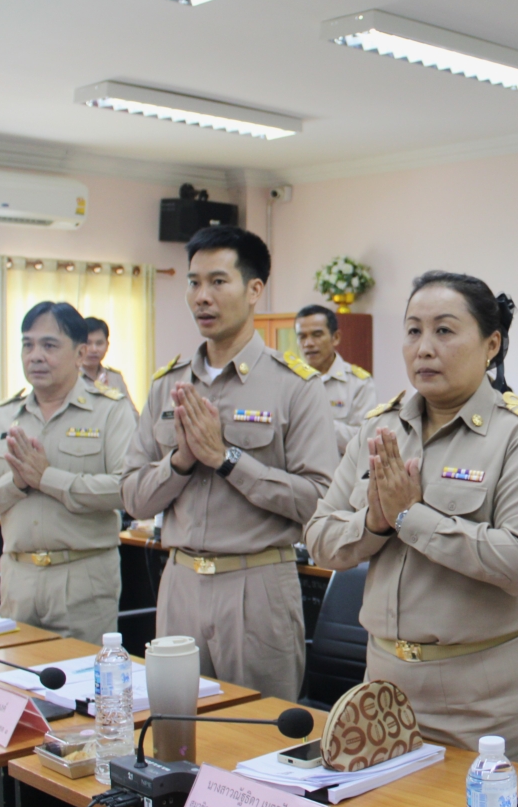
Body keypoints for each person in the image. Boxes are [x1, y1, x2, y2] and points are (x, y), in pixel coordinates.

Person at [305, 271, 518, 769]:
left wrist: (411, 517)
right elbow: (319, 538)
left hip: (491, 697)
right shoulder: (379, 428)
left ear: (492, 344)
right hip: (386, 688)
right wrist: (375, 523)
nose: (424, 348)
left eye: (444, 330)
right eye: (413, 331)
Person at [122, 227, 336, 699]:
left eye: (218, 282)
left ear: (254, 289)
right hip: (179, 581)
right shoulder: (167, 384)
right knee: (174, 722)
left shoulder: (295, 386)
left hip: (257, 584)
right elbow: (133, 497)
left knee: (257, 729)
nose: (202, 296)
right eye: (194, 283)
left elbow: (318, 499)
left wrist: (226, 459)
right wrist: (181, 461)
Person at [0, 303, 136, 642]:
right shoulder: (7, 415)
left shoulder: (110, 410)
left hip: (83, 578)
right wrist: (16, 483)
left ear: (80, 353)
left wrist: (48, 479)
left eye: (49, 345)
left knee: (80, 675)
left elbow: (127, 490)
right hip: (18, 577)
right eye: (28, 345)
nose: (35, 356)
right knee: (16, 671)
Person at [293, 303, 377, 457]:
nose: (308, 343)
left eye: (317, 335)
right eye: (302, 336)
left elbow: (365, 440)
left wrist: (318, 422)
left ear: (336, 338)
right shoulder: (290, 381)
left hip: (339, 470)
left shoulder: (359, 383)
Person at [81, 316, 137, 413]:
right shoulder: (69, 377)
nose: (94, 349)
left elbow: (132, 414)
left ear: (107, 345)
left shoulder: (115, 378)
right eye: (88, 343)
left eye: (99, 343)